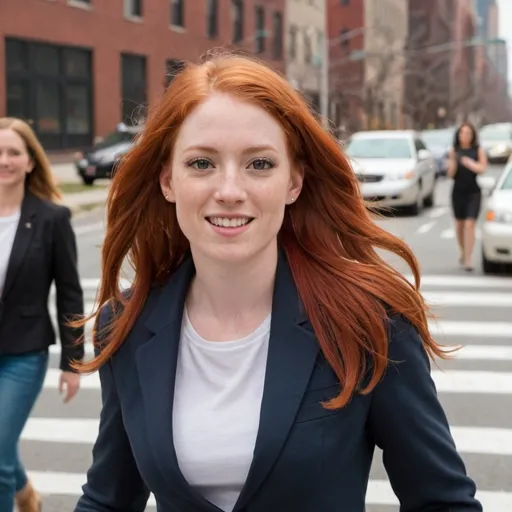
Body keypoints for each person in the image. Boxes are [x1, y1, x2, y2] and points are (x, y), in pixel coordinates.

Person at [74, 54, 482, 512]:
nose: (229, 189)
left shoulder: (369, 322)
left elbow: (442, 502)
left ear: (295, 182)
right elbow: (108, 499)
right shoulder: (125, 324)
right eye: (202, 163)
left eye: (260, 164)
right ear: (168, 180)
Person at [0, 117, 84, 511]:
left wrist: (72, 363)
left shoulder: (52, 219)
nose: (4, 160)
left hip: (23, 354)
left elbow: (69, 293)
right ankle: (26, 496)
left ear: (30, 161)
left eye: (13, 152)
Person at [447, 122, 487, 271]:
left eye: (468, 133)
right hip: (458, 192)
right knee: (459, 225)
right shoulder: (454, 150)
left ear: (472, 135)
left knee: (470, 224)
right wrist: (453, 162)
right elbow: (450, 174)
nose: (465, 136)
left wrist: (469, 163)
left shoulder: (478, 150)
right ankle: (463, 251)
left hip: (473, 192)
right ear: (458, 135)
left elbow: (482, 168)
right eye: (462, 133)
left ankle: (469, 258)